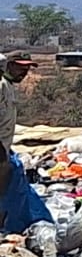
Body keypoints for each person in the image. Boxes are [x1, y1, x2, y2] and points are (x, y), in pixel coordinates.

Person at [0, 55, 35, 193]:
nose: (24, 71)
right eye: (20, 67)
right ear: (9, 66)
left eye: (27, 68)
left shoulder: (8, 86)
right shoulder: (2, 85)